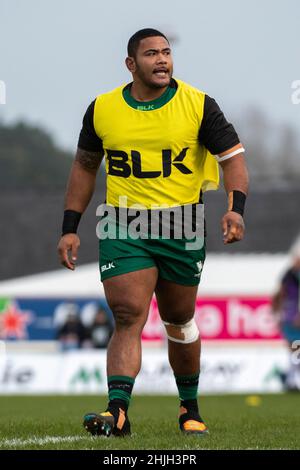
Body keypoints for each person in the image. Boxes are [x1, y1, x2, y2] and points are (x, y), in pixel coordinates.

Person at [57, 28, 249, 437]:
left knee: (179, 320)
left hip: (183, 223)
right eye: (151, 54)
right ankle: (118, 411)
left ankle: (189, 407)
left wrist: (236, 210)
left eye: (166, 52)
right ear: (131, 64)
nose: (162, 60)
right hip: (124, 222)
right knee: (127, 314)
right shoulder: (103, 108)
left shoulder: (198, 104)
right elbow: (85, 167)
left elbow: (232, 159)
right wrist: (70, 228)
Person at [272, 236, 300, 391]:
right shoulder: (289, 275)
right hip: (291, 317)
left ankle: (291, 380)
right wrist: (277, 314)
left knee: (295, 349)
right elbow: (279, 294)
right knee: (294, 349)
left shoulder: (291, 275)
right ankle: (292, 381)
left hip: (294, 316)